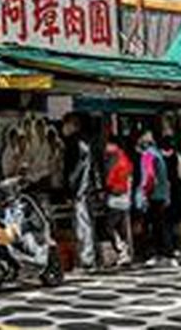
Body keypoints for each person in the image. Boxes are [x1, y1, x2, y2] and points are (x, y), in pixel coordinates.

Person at [61, 114, 99, 272]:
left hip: (80, 191)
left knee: (82, 225)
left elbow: (73, 171)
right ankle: (89, 258)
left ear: (72, 125)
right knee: (87, 224)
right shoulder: (86, 143)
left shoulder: (74, 144)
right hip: (87, 189)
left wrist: (69, 191)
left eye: (65, 125)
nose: (63, 129)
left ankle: (86, 260)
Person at [137, 130, 173, 266]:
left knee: (152, 226)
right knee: (161, 225)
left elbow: (149, 177)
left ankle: (155, 254)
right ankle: (166, 253)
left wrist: (145, 194)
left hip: (153, 195)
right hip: (161, 194)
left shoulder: (147, 155)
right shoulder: (158, 154)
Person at [100, 136, 134, 267]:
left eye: (108, 144)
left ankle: (122, 250)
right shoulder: (124, 158)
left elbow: (110, 179)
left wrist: (107, 189)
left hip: (116, 197)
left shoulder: (115, 160)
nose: (106, 147)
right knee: (120, 227)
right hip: (123, 198)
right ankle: (124, 252)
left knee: (110, 226)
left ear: (114, 146)